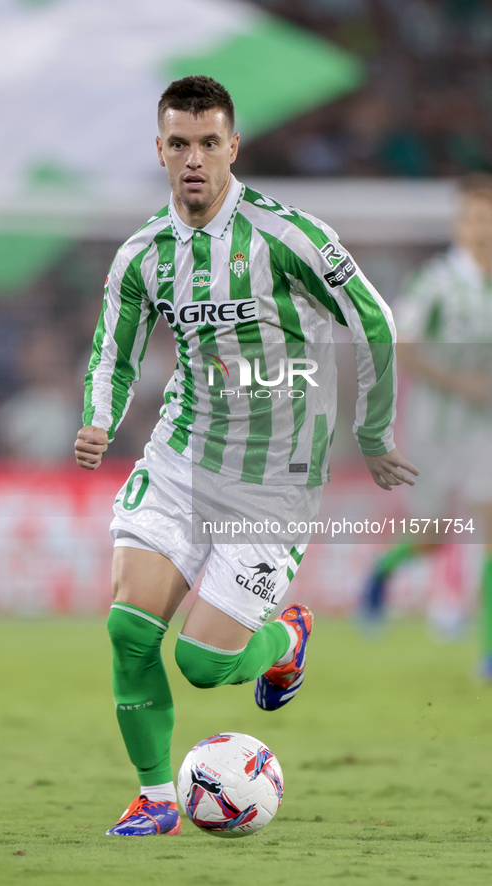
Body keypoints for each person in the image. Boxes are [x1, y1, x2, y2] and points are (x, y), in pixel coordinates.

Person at [75, 76, 417, 837]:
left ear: (233, 146)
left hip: (273, 481)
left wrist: (373, 428)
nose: (192, 158)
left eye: (207, 143)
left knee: (200, 665)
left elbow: (374, 320)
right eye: (177, 144)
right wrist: (99, 419)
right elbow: (113, 354)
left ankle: (283, 640)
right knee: (130, 631)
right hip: (179, 460)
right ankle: (155, 797)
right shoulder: (142, 255)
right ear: (159, 151)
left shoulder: (284, 235)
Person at [359, 174, 492, 665]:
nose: (485, 229)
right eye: (476, 218)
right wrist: (463, 385)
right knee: (432, 539)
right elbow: (405, 347)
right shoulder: (436, 282)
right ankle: (382, 572)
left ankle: (489, 652)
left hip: (485, 429)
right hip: (435, 427)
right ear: (461, 224)